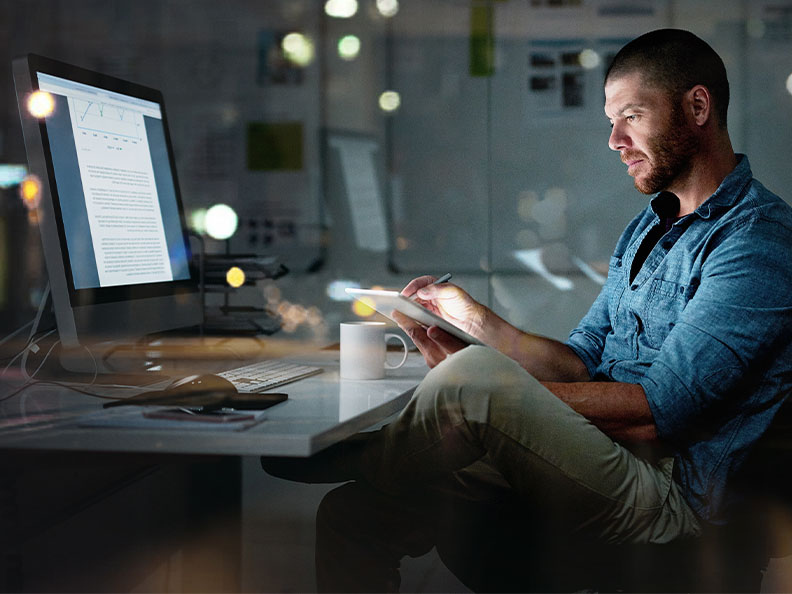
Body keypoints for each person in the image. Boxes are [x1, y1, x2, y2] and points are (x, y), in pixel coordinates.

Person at [263, 28, 792, 592]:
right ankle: (388, 452)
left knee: (472, 383)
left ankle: (372, 455)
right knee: (352, 516)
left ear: (697, 105)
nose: (614, 139)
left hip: (672, 496)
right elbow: (579, 362)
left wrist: (486, 398)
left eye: (631, 116)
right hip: (604, 455)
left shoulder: (757, 243)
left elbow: (660, 411)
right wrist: (477, 327)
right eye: (609, 121)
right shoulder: (646, 230)